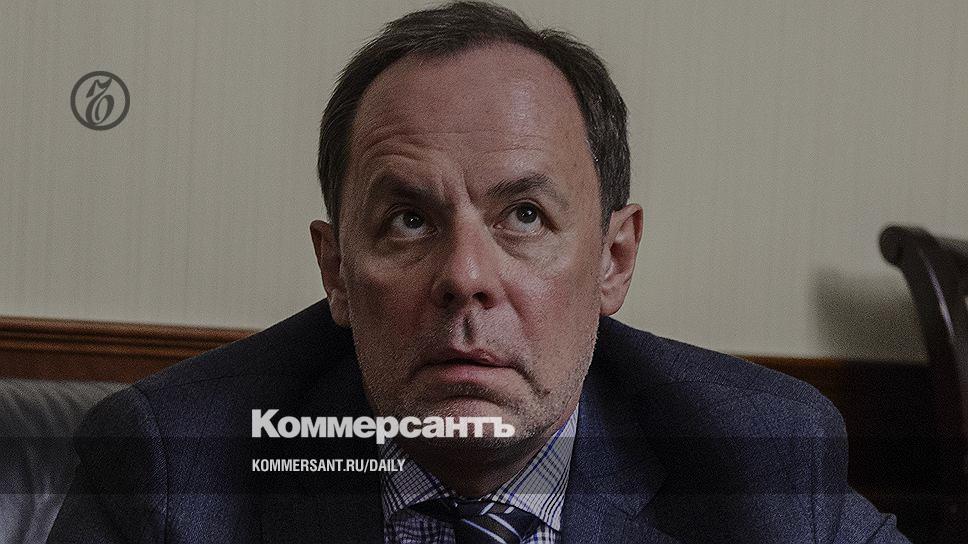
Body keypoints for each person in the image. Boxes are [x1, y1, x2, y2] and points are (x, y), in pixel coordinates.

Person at [48, 2, 910, 543]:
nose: (464, 276)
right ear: (337, 271)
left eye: (524, 216)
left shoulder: (758, 465)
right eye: (410, 220)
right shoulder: (172, 472)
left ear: (613, 260)